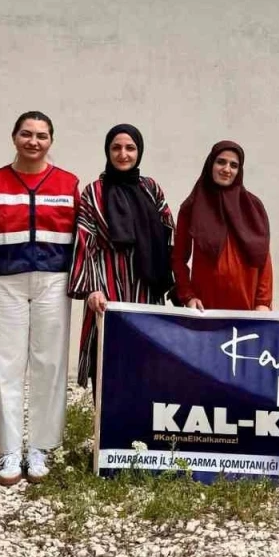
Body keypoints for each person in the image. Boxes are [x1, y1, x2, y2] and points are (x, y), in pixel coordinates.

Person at [0, 112, 81, 488]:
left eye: (41, 135)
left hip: (54, 280)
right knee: (5, 364)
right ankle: (9, 449)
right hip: (3, 281)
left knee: (49, 363)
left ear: (51, 140)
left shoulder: (69, 183)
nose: (33, 141)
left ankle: (40, 446)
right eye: (26, 134)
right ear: (14, 137)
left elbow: (80, 236)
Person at [69, 125, 175, 388]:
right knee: (109, 360)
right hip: (107, 289)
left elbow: (168, 233)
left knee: (147, 357)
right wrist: (92, 289)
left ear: (139, 151)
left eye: (130, 148)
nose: (123, 154)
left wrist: (173, 283)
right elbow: (85, 241)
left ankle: (142, 415)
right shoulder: (94, 192)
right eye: (116, 148)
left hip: (147, 288)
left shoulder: (151, 188)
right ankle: (107, 415)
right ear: (107, 151)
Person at [173, 141, 274, 311]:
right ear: (210, 164)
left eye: (234, 165)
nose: (227, 169)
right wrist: (188, 296)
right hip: (206, 310)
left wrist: (263, 302)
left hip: (248, 309)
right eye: (221, 162)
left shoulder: (253, 206)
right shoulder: (192, 206)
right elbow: (178, 258)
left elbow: (263, 256)